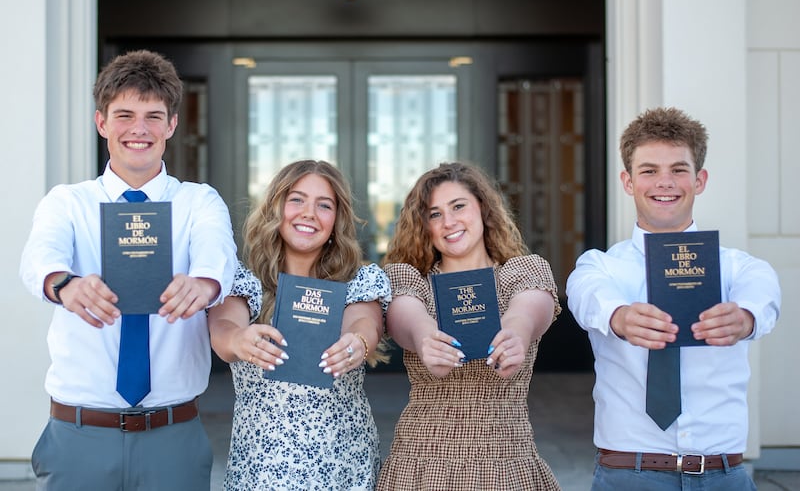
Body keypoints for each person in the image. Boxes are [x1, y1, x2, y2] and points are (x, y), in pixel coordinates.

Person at [19, 50, 237, 490]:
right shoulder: (68, 202)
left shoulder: (199, 201)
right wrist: (65, 285)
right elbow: (39, 257)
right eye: (124, 115)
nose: (139, 129)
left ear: (172, 125)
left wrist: (205, 283)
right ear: (101, 122)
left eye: (154, 116)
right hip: (78, 437)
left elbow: (219, 256)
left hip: (173, 436)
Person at [566, 107, 781, 490]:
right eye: (649, 170)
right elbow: (588, 300)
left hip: (724, 476)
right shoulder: (599, 267)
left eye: (678, 170)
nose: (664, 182)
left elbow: (763, 299)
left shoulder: (741, 268)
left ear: (699, 180)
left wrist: (744, 318)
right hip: (627, 476)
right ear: (628, 182)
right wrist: (620, 317)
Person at [376, 161, 562, 490]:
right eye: (434, 214)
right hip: (422, 462)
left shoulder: (522, 273)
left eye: (458, 206)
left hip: (505, 461)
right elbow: (406, 314)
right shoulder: (410, 278)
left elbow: (531, 309)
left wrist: (515, 333)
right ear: (423, 225)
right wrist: (424, 337)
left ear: (483, 207)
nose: (449, 222)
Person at [207, 159, 391, 490]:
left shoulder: (359, 281)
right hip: (263, 467)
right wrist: (239, 341)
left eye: (324, 205)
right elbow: (223, 331)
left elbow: (365, 323)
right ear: (276, 207)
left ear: (337, 219)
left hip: (343, 465)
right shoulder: (244, 282)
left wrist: (357, 343)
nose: (309, 213)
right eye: (297, 199)